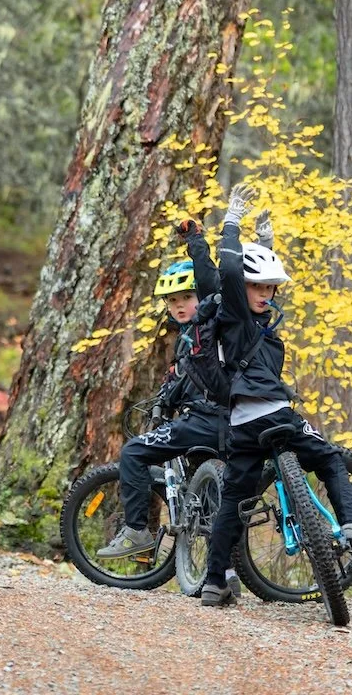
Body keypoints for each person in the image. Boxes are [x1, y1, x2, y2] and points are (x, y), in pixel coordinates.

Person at [201, 184, 352, 607]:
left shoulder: (253, 323)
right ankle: (351, 525)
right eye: (257, 288)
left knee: (233, 500)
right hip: (277, 416)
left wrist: (265, 243)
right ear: (240, 289)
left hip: (243, 424)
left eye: (271, 288)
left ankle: (213, 581)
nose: (266, 294)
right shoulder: (233, 314)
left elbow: (250, 275)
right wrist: (231, 222)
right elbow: (229, 271)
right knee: (331, 458)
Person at [96, 220, 234, 585]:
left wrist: (196, 243)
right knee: (212, 489)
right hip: (224, 419)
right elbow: (178, 381)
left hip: (208, 418)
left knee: (133, 453)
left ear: (200, 297)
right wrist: (162, 401)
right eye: (172, 301)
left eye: (185, 298)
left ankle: (137, 530)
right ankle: (224, 569)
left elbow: (211, 282)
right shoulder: (186, 338)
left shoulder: (210, 327)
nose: (179, 306)